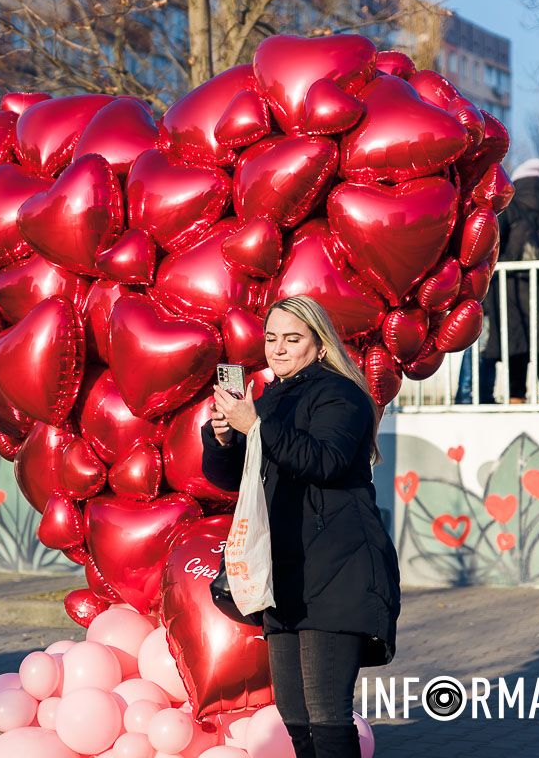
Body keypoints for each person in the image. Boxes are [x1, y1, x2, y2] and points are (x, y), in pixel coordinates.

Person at [200, 295, 401, 758]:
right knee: (295, 716)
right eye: (272, 339)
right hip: (285, 573)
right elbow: (231, 478)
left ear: (321, 345)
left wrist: (256, 427)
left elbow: (325, 461)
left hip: (338, 570)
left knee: (327, 716)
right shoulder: (270, 398)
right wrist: (224, 438)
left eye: (293, 339)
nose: (279, 349)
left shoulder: (342, 395)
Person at [481, 157, 539, 403]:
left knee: (515, 345)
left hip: (511, 292)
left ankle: (515, 399)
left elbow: (492, 247)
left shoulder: (508, 211)